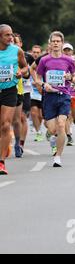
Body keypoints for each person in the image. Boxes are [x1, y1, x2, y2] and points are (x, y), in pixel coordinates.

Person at [36, 31, 75, 167]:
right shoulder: (44, 60)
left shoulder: (69, 60)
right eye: (53, 41)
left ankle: (58, 157)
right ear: (50, 43)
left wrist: (70, 78)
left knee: (61, 124)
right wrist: (43, 84)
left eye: (58, 41)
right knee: (53, 129)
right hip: (49, 97)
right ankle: (53, 137)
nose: (55, 43)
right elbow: (37, 77)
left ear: (62, 43)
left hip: (64, 95)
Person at [0, 25, 29, 174]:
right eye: (7, 35)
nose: (10, 38)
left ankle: (1, 162)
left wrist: (20, 72)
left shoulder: (17, 51)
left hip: (10, 90)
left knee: (5, 125)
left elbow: (26, 68)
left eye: (11, 34)